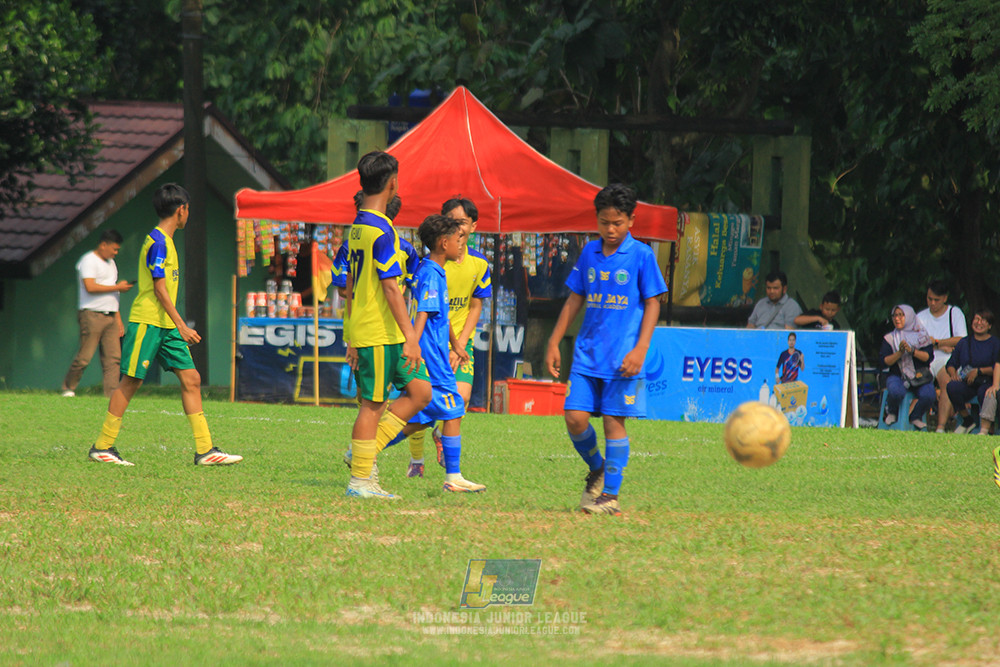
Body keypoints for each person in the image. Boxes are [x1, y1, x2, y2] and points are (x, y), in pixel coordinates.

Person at [88, 184, 242, 466]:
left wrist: (175, 325)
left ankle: (205, 451)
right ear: (181, 209)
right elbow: (160, 290)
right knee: (131, 382)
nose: (188, 215)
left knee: (191, 379)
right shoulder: (158, 242)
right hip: (148, 322)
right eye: (188, 210)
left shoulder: (168, 242)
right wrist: (182, 325)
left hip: (165, 324)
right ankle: (102, 446)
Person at [544, 183, 668, 516]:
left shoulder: (641, 255)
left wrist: (641, 349)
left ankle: (609, 496)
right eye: (604, 222)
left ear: (631, 220)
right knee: (574, 418)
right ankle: (597, 467)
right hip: (587, 354)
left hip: (623, 357)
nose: (610, 230)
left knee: (614, 422)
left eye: (617, 223)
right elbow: (574, 298)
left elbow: (653, 304)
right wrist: (554, 341)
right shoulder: (589, 253)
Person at [343, 151, 432, 500]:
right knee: (373, 405)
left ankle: (363, 453)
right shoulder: (382, 230)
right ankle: (360, 482)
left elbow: (350, 286)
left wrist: (350, 332)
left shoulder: (359, 226)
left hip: (382, 331)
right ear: (392, 184)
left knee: (421, 392)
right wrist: (413, 335)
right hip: (380, 332)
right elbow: (391, 287)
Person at [380, 214, 484, 491]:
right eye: (459, 239)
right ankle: (453, 477)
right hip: (432, 356)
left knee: (418, 418)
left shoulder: (435, 271)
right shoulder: (430, 272)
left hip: (438, 351)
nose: (462, 244)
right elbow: (423, 312)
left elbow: (442, 315)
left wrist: (457, 344)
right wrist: (413, 342)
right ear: (443, 242)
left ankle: (363, 451)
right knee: (452, 409)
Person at [406, 197, 492, 475]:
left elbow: (477, 303)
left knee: (461, 398)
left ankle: (446, 455)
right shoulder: (435, 262)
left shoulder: (479, 264)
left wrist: (459, 343)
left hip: (458, 341)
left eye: (463, 222)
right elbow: (424, 309)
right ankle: (417, 461)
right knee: (423, 403)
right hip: (432, 343)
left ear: (474, 226)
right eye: (452, 223)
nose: (459, 229)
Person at [60, 229, 134, 398]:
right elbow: (90, 287)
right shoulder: (88, 260)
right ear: (103, 245)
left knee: (113, 359)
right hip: (91, 315)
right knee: (85, 356)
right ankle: (68, 387)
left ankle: (111, 394)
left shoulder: (111, 263)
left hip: (111, 316)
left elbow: (113, 295)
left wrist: (119, 319)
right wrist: (118, 287)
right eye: (114, 249)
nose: (116, 253)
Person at [916, 280, 967, 432]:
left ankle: (940, 426)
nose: (932, 303)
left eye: (936, 300)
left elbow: (961, 340)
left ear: (945, 298)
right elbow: (916, 342)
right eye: (929, 299)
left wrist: (937, 342)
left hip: (945, 359)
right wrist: (940, 345)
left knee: (947, 382)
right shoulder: (920, 317)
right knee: (917, 383)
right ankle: (915, 421)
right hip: (925, 359)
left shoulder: (954, 313)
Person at [880, 304, 936, 430]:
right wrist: (899, 353)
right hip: (898, 375)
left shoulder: (922, 337)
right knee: (896, 391)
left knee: (929, 395)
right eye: (895, 315)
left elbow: (928, 357)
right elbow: (885, 362)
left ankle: (915, 416)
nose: (897, 318)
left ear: (910, 316)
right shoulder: (890, 338)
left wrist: (912, 351)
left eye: (901, 315)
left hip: (919, 376)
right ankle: (892, 412)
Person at [944, 309, 1000, 434]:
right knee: (952, 387)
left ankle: (987, 428)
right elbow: (951, 363)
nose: (979, 323)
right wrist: (953, 374)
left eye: (983, 321)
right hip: (967, 382)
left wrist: (979, 371)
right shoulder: (964, 342)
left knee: (984, 393)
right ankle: (967, 419)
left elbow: (997, 367)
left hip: (987, 381)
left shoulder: (995, 344)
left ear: (989, 325)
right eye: (976, 319)